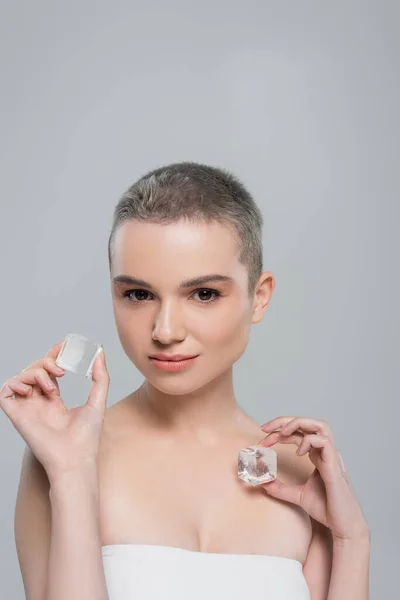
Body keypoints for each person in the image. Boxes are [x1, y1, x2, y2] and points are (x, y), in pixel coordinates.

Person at [1, 162, 370, 600]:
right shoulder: (64, 454)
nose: (165, 330)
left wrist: (353, 541)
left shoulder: (299, 473)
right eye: (138, 294)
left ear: (259, 296)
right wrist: (71, 475)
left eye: (203, 294)